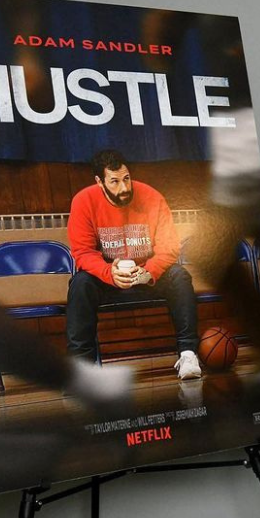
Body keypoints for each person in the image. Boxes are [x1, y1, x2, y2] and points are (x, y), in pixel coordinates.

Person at [66, 149, 203, 380]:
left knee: (179, 276)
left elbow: (169, 247)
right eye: (115, 181)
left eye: (126, 178)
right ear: (99, 182)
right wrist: (109, 272)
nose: (124, 188)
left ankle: (188, 353)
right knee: (80, 284)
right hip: (108, 280)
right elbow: (82, 251)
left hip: (147, 277)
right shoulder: (83, 201)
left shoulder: (152, 197)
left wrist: (148, 271)